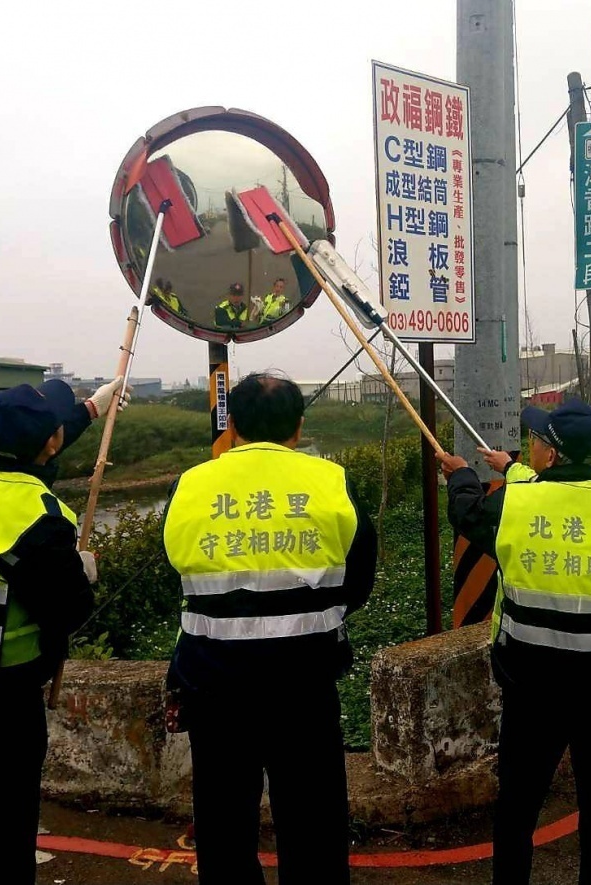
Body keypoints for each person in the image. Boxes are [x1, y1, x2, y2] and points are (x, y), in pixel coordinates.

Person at [163, 373, 377, 885]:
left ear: (231, 425)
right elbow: (359, 577)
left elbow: (180, 569)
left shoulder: (189, 485)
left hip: (212, 684)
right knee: (313, 818)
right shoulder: (332, 482)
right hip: (303, 684)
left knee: (222, 819)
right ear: (299, 427)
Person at [0, 376, 127, 885]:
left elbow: (35, 447)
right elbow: (71, 607)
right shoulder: (39, 519)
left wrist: (93, 409)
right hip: (0, 686)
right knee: (8, 813)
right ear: (49, 442)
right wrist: (81, 569)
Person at [441, 398, 591, 884]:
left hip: (533, 687)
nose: (530, 448)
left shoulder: (517, 502)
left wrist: (459, 475)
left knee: (517, 803)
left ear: (552, 456)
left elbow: (468, 513)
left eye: (536, 441)